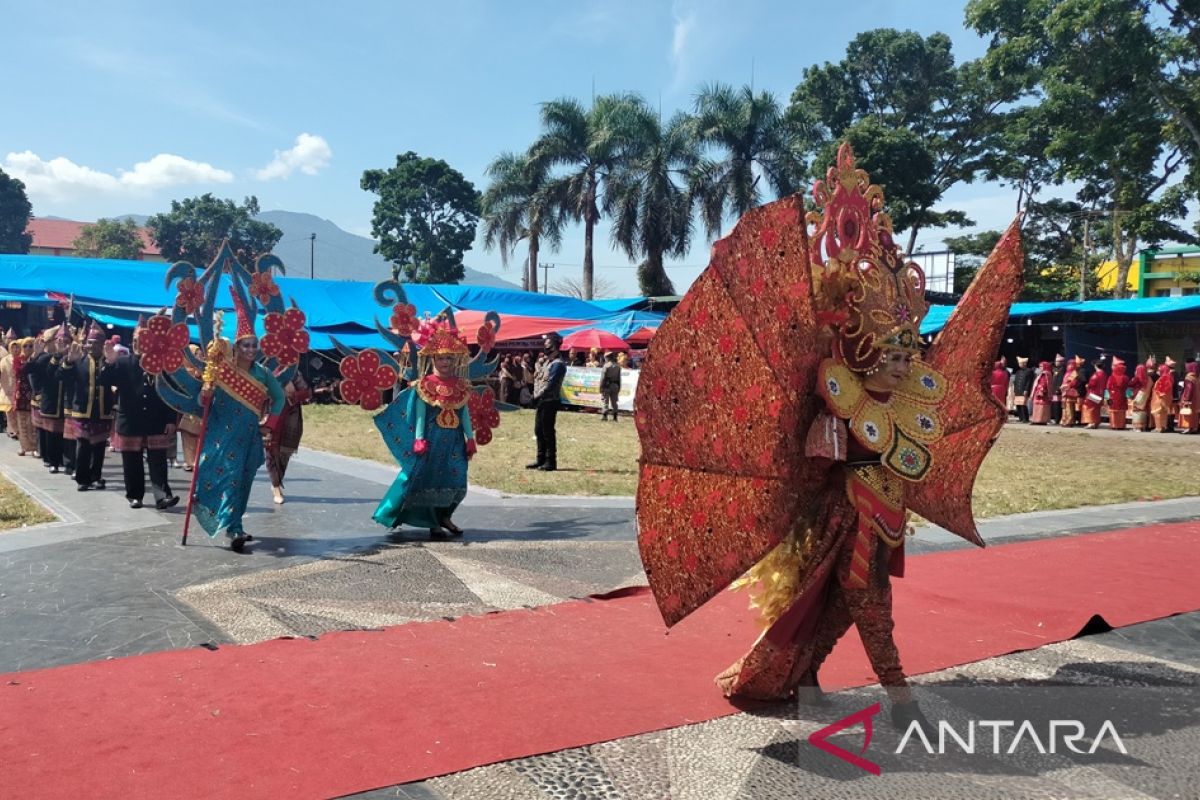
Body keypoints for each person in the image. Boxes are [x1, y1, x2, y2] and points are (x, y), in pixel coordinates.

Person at [192, 294, 285, 552]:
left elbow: (279, 397)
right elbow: (203, 402)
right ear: (237, 346)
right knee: (230, 478)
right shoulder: (222, 370)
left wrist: (270, 422)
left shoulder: (262, 373)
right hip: (223, 436)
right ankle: (233, 528)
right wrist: (207, 391)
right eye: (246, 345)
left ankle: (234, 524)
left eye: (254, 345)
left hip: (250, 437)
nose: (251, 350)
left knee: (243, 480)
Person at [372, 319, 478, 538]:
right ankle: (433, 522)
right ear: (433, 359)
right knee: (430, 480)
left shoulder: (461, 385)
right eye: (441, 358)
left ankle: (446, 516)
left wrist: (470, 438)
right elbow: (420, 414)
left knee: (457, 479)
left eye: (449, 358)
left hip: (455, 442)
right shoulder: (425, 385)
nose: (445, 362)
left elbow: (464, 413)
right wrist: (419, 438)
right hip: (433, 440)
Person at [101, 326, 180, 510]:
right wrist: (109, 362)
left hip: (156, 419)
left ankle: (162, 496)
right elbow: (103, 381)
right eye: (135, 340)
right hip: (130, 420)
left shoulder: (159, 364)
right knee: (132, 461)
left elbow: (168, 393)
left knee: (158, 461)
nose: (138, 343)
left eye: (142, 339)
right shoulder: (122, 362)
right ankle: (135, 496)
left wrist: (170, 419)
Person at [61, 324, 115, 489]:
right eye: (89, 343)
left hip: (102, 411)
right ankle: (82, 479)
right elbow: (62, 377)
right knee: (83, 446)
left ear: (103, 344)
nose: (91, 346)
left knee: (99, 447)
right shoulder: (79, 361)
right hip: (82, 410)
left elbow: (115, 381)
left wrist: (112, 364)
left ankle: (95, 476)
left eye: (95, 343)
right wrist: (68, 361)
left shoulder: (109, 362)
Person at [263, 372, 310, 504]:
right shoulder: (266, 368)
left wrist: (292, 394)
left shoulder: (293, 372)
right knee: (271, 451)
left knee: (284, 453)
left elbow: (306, 392)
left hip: (290, 418)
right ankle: (276, 486)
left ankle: (276, 482)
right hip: (270, 413)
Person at [527, 332, 566, 471]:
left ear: (555, 346)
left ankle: (550, 461)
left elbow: (551, 385)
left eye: (547, 345)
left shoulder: (558, 364)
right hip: (542, 401)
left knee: (547, 431)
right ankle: (540, 459)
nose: (545, 347)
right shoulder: (547, 362)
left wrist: (536, 397)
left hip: (550, 401)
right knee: (538, 430)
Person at [10, 338, 38, 456]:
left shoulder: (37, 359)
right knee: (21, 421)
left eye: (30, 346)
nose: (27, 348)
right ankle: (24, 447)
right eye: (25, 346)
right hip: (21, 394)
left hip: (33, 394)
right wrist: (29, 363)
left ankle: (34, 447)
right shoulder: (18, 359)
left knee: (33, 422)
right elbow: (19, 371)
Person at [1082, 357, 1107, 429]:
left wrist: (1087, 385)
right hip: (1100, 393)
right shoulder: (1104, 374)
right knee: (1096, 408)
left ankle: (1091, 422)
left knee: (1090, 407)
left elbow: (1092, 384)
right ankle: (1096, 422)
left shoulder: (1096, 374)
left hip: (1093, 393)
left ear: (1095, 366)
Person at [1151, 362, 1175, 433]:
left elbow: (1161, 390)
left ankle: (1158, 427)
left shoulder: (1163, 378)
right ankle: (1163, 427)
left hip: (1159, 399)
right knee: (1164, 414)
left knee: (1158, 413)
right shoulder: (1169, 377)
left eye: (1159, 370)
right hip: (1166, 399)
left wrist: (1158, 394)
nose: (1158, 372)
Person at [1106, 358, 1130, 430]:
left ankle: (1114, 425)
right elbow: (1127, 386)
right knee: (1121, 411)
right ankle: (1121, 425)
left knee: (1113, 410)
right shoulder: (1126, 378)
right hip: (1122, 396)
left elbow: (1108, 386)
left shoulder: (1111, 377)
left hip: (1112, 396)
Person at [1059, 356, 1083, 427]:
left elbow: (1073, 383)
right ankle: (1064, 420)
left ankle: (1069, 421)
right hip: (1064, 392)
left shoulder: (1074, 373)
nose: (1069, 365)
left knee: (1069, 407)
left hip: (1069, 392)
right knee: (1064, 407)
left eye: (1071, 364)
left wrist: (1065, 386)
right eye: (1069, 364)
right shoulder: (1067, 372)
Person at [599, 351, 622, 421]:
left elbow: (603, 378)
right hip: (615, 385)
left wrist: (601, 387)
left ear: (607, 358)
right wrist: (619, 387)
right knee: (614, 401)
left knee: (605, 400)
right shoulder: (618, 366)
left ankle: (605, 416)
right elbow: (619, 378)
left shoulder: (606, 366)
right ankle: (615, 416)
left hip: (607, 385)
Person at [1129, 362, 1151, 432]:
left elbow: (1130, 384)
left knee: (1136, 411)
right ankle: (1142, 426)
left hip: (1137, 396)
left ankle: (1137, 427)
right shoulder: (1148, 378)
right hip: (1145, 396)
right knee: (1143, 411)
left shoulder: (1137, 378)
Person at [1029, 360, 1053, 424]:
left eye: (1041, 366)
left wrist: (1042, 390)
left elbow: (1046, 383)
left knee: (1042, 407)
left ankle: (1041, 420)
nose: (1040, 368)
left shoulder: (1047, 374)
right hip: (1037, 391)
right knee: (1036, 406)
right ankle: (1035, 419)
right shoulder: (1040, 373)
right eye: (1039, 366)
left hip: (1043, 392)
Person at [1011, 356, 1034, 423]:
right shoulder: (1018, 371)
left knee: (1023, 404)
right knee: (1018, 405)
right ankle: (1020, 417)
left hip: (1024, 390)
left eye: (1020, 363)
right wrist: (1015, 390)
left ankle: (1025, 418)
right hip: (1018, 390)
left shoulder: (1029, 371)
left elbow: (1029, 382)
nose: (1019, 364)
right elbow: (1016, 381)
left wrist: (1026, 390)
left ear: (1024, 363)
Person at [1178, 361, 1199, 434]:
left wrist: (1186, 399)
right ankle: (1194, 428)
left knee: (1187, 413)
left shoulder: (1188, 378)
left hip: (1189, 398)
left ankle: (1188, 427)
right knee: (1194, 414)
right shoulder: (1196, 378)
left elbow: (1188, 389)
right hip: (1196, 399)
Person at [1049, 354, 1066, 424]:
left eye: (1057, 361)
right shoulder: (1056, 369)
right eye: (1055, 361)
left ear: (1061, 362)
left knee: (1057, 405)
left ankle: (1057, 419)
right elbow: (1051, 367)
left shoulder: (1062, 370)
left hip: (1058, 390)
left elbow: (1060, 380)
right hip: (1053, 389)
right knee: (1054, 405)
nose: (1055, 363)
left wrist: (1058, 389)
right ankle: (1055, 418)